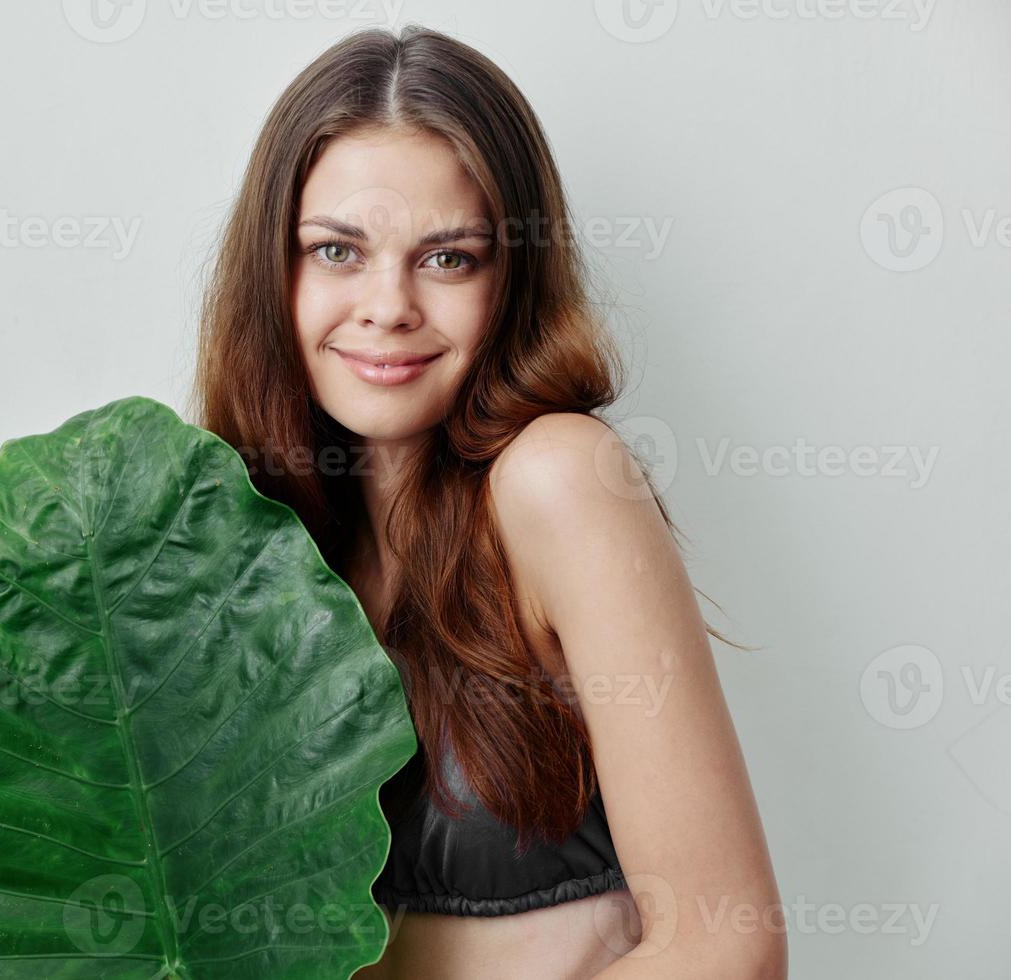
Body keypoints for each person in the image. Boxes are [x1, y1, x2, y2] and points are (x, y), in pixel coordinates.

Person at [193, 23, 787, 980]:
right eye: (338, 251)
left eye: (448, 258)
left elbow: (730, 947)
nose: (388, 305)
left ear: (510, 278)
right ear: (274, 270)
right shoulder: (248, 541)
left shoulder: (555, 480)